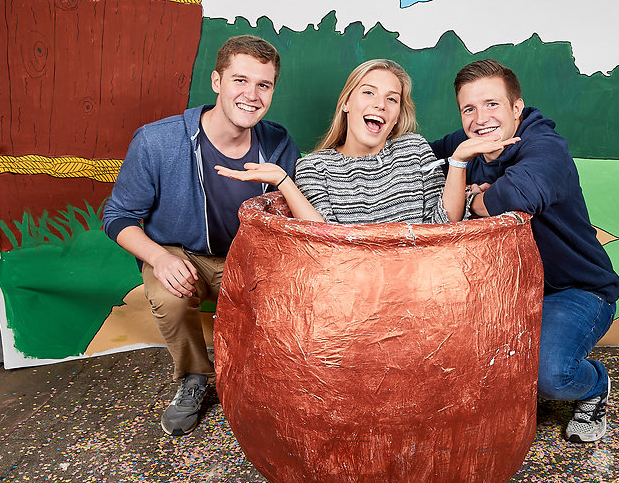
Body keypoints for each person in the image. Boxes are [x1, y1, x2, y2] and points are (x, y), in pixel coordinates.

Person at [102, 35, 301, 436]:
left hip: (245, 258)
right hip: (181, 254)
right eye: (240, 80)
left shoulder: (278, 143)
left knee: (293, 297)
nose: (252, 95)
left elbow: (293, 219)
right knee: (168, 294)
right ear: (216, 81)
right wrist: (159, 258)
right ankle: (194, 376)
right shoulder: (157, 141)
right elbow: (117, 216)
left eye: (263, 85)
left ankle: (262, 376)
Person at [430, 59, 619, 443]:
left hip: (574, 289)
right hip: (506, 293)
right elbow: (410, 157)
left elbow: (519, 194)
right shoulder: (466, 145)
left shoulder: (546, 147)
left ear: (517, 107)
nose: (480, 119)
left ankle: (595, 385)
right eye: (469, 109)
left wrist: (476, 202)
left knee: (551, 375)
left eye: (492, 104)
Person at [216, 59, 515, 224]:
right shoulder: (314, 167)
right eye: (368, 92)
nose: (380, 104)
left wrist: (458, 162)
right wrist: (284, 181)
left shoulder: (414, 149)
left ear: (396, 116)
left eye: (392, 99)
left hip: (421, 286)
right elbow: (326, 241)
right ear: (347, 103)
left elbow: (443, 225)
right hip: (354, 295)